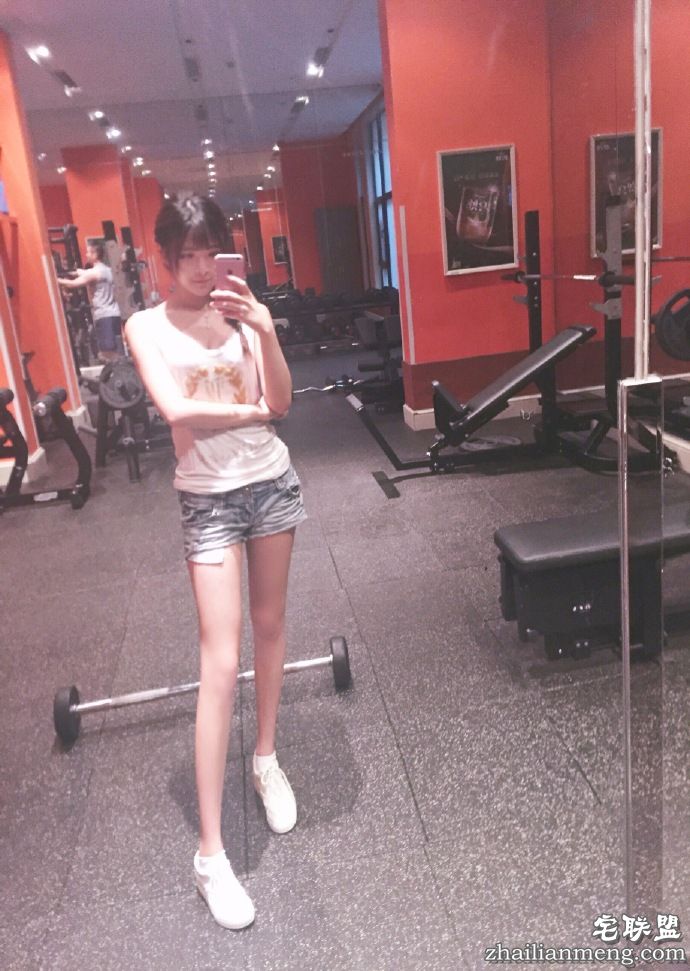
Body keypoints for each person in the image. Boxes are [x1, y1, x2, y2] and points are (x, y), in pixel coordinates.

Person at [124, 192, 306, 931]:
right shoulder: (145, 326)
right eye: (187, 255)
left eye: (211, 253)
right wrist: (253, 411)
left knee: (270, 627)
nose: (201, 269)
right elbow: (177, 411)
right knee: (219, 661)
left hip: (271, 485)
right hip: (208, 500)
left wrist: (265, 329)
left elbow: (282, 400)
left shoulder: (241, 312)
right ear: (165, 257)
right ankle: (209, 855)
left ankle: (264, 757)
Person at [59, 242, 124, 360]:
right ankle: (121, 367)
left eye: (88, 252)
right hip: (114, 314)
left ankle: (123, 368)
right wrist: (71, 272)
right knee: (112, 349)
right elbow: (82, 273)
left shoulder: (94, 273)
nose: (86, 255)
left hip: (104, 315)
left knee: (107, 352)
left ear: (95, 254)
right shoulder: (107, 270)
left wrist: (54, 278)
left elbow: (72, 284)